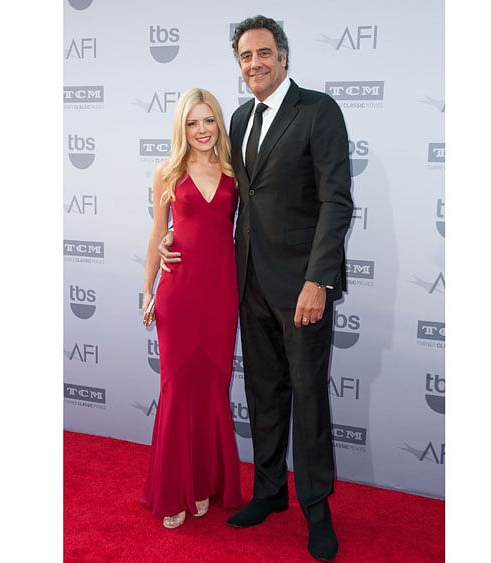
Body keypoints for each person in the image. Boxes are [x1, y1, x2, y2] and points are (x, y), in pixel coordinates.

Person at [158, 15, 353, 561]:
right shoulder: (238, 120)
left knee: (309, 398)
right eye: (245, 57)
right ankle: (270, 492)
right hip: (247, 287)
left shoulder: (318, 112)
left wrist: (319, 279)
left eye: (264, 53)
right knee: (263, 396)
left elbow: (337, 201)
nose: (255, 64)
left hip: (302, 289)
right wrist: (176, 231)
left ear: (284, 57)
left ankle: (317, 508)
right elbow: (217, 196)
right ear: (239, 66)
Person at [140, 87, 243, 529]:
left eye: (208, 121)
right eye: (192, 122)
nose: (202, 130)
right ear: (181, 128)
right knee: (178, 389)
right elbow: (157, 233)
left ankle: (202, 484)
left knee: (212, 387)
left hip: (221, 294)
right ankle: (175, 490)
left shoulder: (235, 171)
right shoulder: (167, 172)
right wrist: (147, 290)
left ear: (219, 123)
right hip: (178, 293)